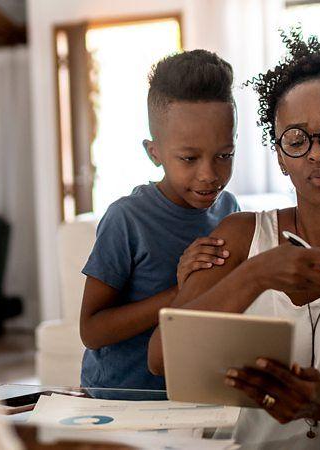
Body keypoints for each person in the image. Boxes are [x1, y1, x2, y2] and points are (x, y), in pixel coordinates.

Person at [148, 30, 320, 447]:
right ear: (281, 157)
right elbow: (162, 359)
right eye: (297, 140)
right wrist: (256, 273)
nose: (316, 153)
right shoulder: (243, 235)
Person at [79, 49, 240, 390]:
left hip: (193, 393)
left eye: (224, 155)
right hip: (122, 398)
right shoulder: (127, 219)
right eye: (189, 158)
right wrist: (183, 291)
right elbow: (91, 331)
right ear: (154, 153)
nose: (209, 174)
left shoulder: (229, 211)